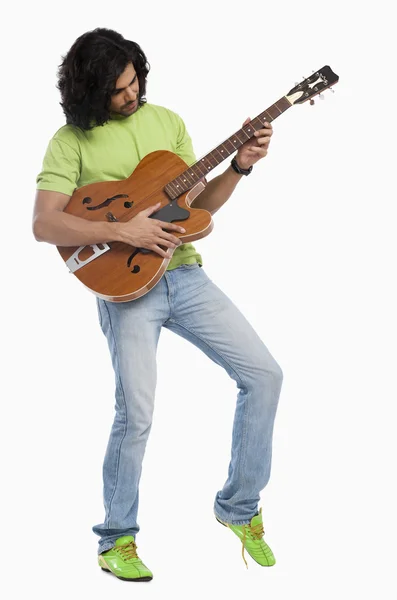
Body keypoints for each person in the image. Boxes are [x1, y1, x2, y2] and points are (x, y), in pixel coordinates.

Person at [33, 27, 283, 582]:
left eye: (134, 81)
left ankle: (239, 509)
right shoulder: (69, 141)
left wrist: (239, 166)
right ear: (90, 93)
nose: (132, 95)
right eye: (119, 90)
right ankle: (116, 540)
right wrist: (124, 230)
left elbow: (199, 207)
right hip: (126, 291)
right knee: (137, 414)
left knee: (265, 376)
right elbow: (44, 222)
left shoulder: (166, 122)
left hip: (186, 276)